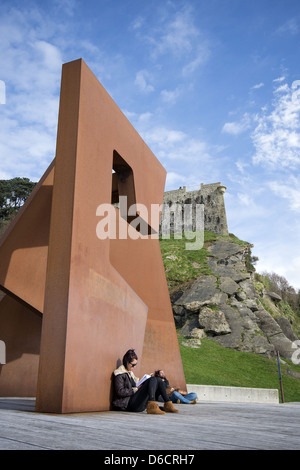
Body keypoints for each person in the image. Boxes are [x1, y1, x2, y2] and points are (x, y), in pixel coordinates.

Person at [112, 349, 179, 414]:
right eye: (133, 365)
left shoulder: (130, 373)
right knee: (152, 379)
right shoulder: (120, 374)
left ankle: (168, 404)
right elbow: (120, 392)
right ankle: (152, 406)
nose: (134, 367)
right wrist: (135, 389)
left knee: (157, 379)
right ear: (127, 362)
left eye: (135, 365)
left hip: (136, 403)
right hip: (128, 405)